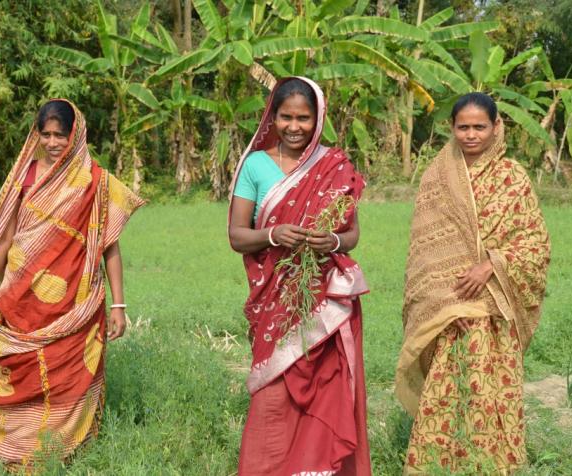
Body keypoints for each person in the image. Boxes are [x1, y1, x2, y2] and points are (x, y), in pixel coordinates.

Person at [0, 99, 144, 467]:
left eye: (59, 135)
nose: (51, 142)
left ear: (75, 135)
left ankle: (62, 454)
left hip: (75, 307)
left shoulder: (95, 182)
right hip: (19, 299)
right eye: (44, 134)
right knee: (15, 370)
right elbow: (6, 239)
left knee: (69, 377)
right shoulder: (26, 177)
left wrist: (119, 305)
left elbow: (109, 247)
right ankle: (19, 451)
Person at [396, 92, 550, 474]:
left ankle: (493, 465)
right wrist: (447, 304)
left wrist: (491, 266)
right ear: (452, 128)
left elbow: (535, 243)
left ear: (496, 127)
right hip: (451, 307)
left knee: (490, 395)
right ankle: (437, 466)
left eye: (479, 127)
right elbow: (426, 251)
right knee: (446, 396)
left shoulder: (513, 177)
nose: (470, 135)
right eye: (462, 127)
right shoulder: (437, 177)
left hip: (496, 307)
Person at [228, 77, 371, 475]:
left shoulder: (334, 165)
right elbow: (238, 235)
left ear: (318, 118)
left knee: (325, 392)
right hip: (276, 301)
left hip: (324, 301)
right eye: (286, 117)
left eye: (304, 118)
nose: (294, 126)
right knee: (271, 396)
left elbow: (352, 235)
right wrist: (273, 234)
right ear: (271, 117)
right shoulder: (256, 165)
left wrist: (333, 242)